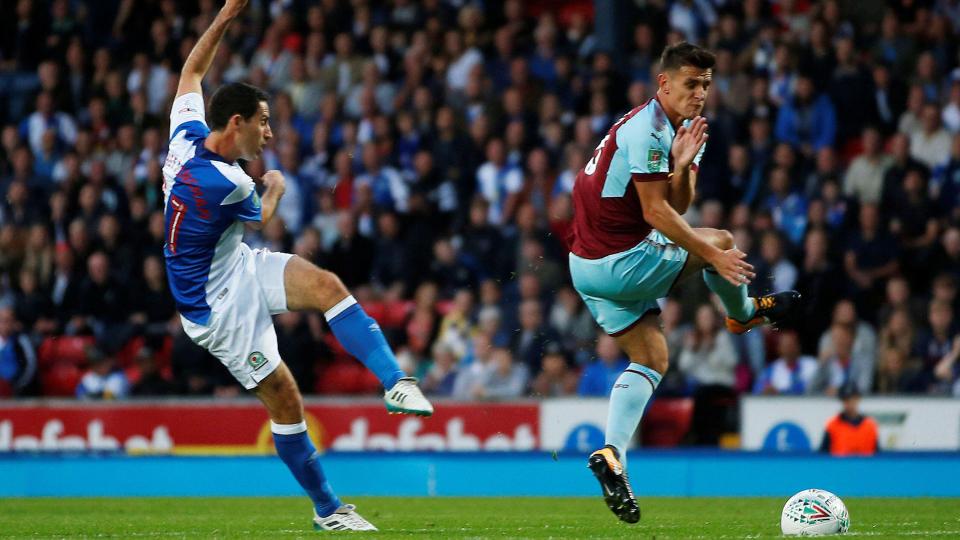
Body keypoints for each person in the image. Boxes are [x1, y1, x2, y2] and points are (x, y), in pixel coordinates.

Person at [161, 1, 432, 531]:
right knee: (285, 398)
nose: (268, 134)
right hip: (214, 308)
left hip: (232, 263)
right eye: (262, 123)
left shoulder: (184, 136)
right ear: (235, 123)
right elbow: (260, 217)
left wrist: (226, 14)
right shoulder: (232, 182)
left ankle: (396, 383)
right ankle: (329, 510)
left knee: (327, 285)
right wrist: (276, 188)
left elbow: (192, 70)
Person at [567, 42, 799, 523]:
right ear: (664, 83)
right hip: (616, 260)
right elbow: (655, 212)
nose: (700, 94)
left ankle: (613, 456)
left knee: (652, 356)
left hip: (586, 267)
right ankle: (742, 314)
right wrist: (713, 253)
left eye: (706, 86)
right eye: (691, 84)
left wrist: (681, 165)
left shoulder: (686, 131)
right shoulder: (647, 128)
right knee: (722, 238)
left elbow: (677, 202)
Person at [820, 383, 879, 456]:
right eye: (846, 400)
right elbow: (823, 455)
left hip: (865, 466)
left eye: (853, 399)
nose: (850, 403)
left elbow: (877, 455)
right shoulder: (832, 426)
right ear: (842, 401)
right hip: (839, 466)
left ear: (858, 399)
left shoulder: (870, 426)